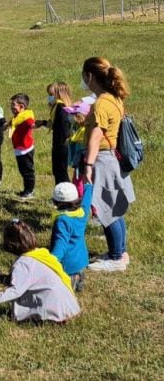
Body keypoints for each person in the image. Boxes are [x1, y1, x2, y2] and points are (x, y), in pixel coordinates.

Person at [81, 56, 135, 272]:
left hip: (102, 158)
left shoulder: (101, 102)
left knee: (106, 208)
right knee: (115, 207)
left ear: (90, 76)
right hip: (112, 155)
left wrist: (88, 165)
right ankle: (120, 251)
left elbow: (96, 136)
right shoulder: (114, 98)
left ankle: (115, 258)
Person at [0, 220, 80, 323]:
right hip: (69, 306)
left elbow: (15, 291)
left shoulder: (23, 264)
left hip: (55, 312)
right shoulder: (41, 253)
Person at [49, 183, 89, 291]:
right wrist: (89, 186)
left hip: (68, 266)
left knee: (60, 291)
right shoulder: (82, 213)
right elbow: (87, 200)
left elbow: (60, 246)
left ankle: (72, 283)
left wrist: (49, 262)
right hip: (81, 261)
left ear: (57, 203)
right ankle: (79, 280)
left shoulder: (62, 221)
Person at [37, 82, 74, 184]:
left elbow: (64, 126)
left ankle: (66, 193)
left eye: (51, 95)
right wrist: (43, 123)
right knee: (57, 170)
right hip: (58, 143)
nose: (49, 98)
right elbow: (54, 124)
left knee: (61, 171)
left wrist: (64, 140)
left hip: (62, 144)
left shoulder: (61, 108)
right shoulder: (57, 108)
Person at [8, 93, 36, 200]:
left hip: (26, 149)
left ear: (22, 106)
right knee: (23, 170)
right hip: (19, 149)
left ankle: (30, 191)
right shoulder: (18, 117)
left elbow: (32, 124)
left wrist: (40, 123)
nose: (11, 107)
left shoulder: (26, 118)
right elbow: (10, 124)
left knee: (28, 171)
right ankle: (26, 189)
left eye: (13, 105)